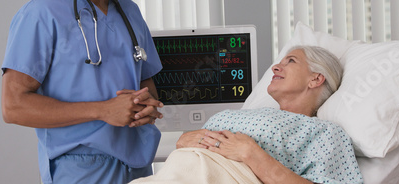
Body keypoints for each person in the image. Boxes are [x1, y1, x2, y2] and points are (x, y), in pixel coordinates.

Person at [1, 0, 163, 183]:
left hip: (138, 171)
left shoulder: (131, 14)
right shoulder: (42, 15)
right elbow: (13, 106)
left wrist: (146, 106)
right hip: (80, 171)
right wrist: (102, 110)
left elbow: (147, 83)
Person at [132, 46, 363, 184]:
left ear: (316, 78)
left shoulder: (325, 133)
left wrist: (252, 154)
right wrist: (184, 141)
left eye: (290, 61)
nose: (275, 67)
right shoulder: (254, 113)